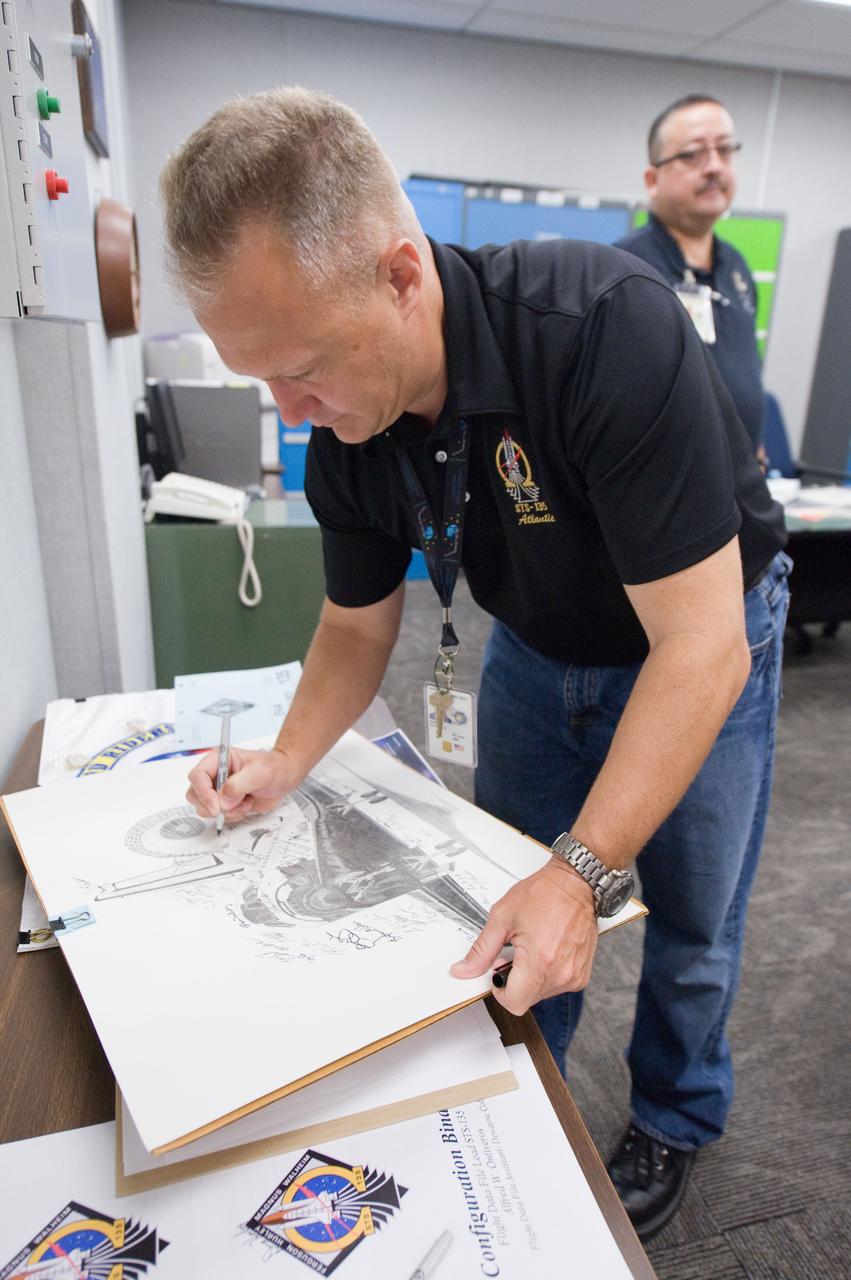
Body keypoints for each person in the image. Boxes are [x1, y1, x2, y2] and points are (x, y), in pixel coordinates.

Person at [162, 88, 789, 1241]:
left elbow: (700, 647)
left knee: (687, 915)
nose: (285, 409)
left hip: (702, 638)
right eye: (258, 379)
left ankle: (673, 1112)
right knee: (508, 903)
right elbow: (356, 628)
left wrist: (584, 869)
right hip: (538, 648)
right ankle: (520, 1094)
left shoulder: (599, 326)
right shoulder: (347, 429)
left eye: (297, 369)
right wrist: (285, 759)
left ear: (401, 276)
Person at [616, 94, 766, 460]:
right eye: (693, 154)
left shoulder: (737, 268)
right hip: (671, 487)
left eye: (725, 150)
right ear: (653, 179)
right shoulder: (627, 269)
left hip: (742, 484)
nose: (714, 166)